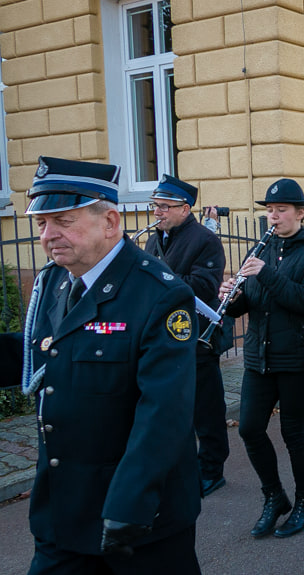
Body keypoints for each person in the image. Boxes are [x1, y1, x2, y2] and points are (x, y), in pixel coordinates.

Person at [19, 157, 201, 573]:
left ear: (111, 222)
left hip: (138, 518)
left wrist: (130, 503)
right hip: (63, 508)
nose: (48, 236)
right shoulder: (56, 280)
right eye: (42, 225)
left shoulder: (158, 294)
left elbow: (164, 409)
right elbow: (42, 349)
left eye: (61, 220)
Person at [221, 179, 304, 539]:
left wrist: (265, 273)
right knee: (250, 428)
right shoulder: (262, 248)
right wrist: (231, 297)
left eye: (281, 210)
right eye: (269, 210)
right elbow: (251, 301)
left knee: (293, 432)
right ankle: (275, 496)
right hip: (259, 354)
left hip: (297, 355)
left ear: (300, 213)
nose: (273, 216)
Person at [143, 175, 230, 496]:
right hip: (163, 337)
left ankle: (212, 468)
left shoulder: (205, 239)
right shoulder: (155, 239)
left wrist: (159, 279)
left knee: (205, 408)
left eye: (164, 207)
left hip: (197, 335)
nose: (157, 212)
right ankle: (182, 465)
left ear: (185, 208)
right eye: (155, 206)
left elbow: (205, 287)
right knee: (172, 407)